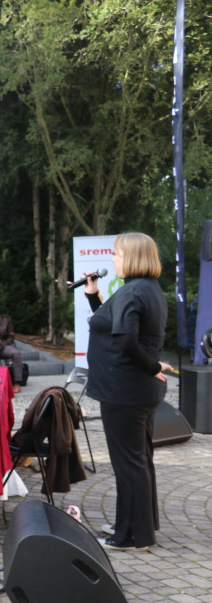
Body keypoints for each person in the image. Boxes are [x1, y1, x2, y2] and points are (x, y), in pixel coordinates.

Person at [84, 232, 171, 552]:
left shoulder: (133, 292)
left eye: (117, 254)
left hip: (125, 392)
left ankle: (131, 536)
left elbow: (125, 339)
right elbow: (111, 323)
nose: (112, 259)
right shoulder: (143, 289)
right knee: (139, 460)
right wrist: (93, 296)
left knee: (129, 464)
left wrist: (152, 367)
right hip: (135, 391)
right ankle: (138, 524)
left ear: (133, 257)